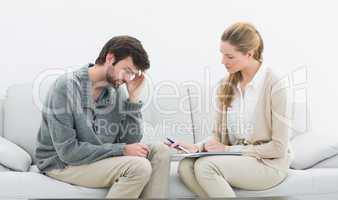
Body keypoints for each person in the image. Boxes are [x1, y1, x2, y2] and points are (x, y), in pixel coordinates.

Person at [35, 36, 171, 199]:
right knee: (139, 167)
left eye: (133, 74)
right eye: (127, 70)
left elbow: (130, 140)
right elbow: (68, 152)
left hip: (97, 157)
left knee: (161, 152)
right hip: (61, 163)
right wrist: (120, 150)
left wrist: (133, 99)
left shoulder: (116, 91)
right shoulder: (67, 87)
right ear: (110, 58)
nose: (128, 79)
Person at [168, 22, 293, 198]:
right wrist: (197, 147)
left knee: (206, 167)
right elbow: (219, 138)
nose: (223, 61)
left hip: (269, 163)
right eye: (222, 54)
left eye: (230, 56)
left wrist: (228, 150)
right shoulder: (226, 85)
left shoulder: (275, 84)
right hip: (240, 157)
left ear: (249, 54)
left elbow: (279, 148)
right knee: (186, 166)